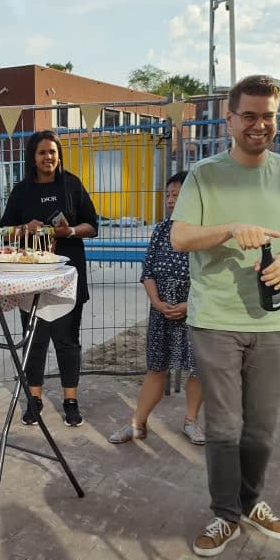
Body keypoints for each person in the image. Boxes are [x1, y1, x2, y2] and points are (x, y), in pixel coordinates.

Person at [171, 74, 280, 557]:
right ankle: (224, 514)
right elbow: (181, 238)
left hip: (276, 321)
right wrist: (231, 228)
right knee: (224, 426)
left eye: (268, 116)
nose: (259, 125)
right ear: (230, 118)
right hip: (216, 319)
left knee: (262, 427)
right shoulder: (204, 175)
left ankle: (252, 502)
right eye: (249, 115)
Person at [0, 129, 99, 427]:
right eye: (42, 152)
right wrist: (23, 229)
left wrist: (67, 231)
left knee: (67, 341)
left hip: (68, 276)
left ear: (59, 155)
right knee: (35, 341)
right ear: (33, 156)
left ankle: (70, 401)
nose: (48, 157)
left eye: (52, 152)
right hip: (31, 277)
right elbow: (4, 229)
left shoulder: (72, 184)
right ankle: (34, 399)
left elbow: (92, 226)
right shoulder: (21, 190)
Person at [109, 171, 204, 444]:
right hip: (161, 308)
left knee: (198, 368)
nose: (172, 200)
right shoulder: (161, 229)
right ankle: (138, 423)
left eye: (178, 194)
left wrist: (188, 304)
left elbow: (210, 278)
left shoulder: (203, 232)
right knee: (156, 367)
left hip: (195, 309)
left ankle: (191, 422)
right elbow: (147, 270)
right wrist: (157, 302)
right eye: (169, 195)